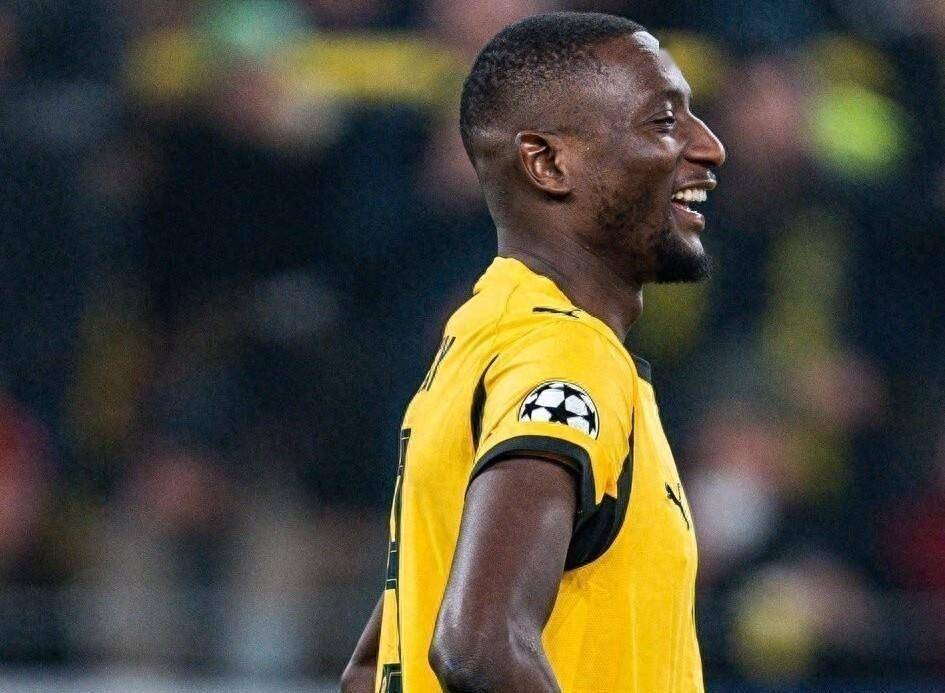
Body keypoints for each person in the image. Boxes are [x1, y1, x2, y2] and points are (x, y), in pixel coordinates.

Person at [342, 11, 725, 692]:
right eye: (663, 122)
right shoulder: (564, 353)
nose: (709, 148)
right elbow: (479, 647)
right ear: (547, 164)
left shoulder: (483, 339)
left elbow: (370, 669)